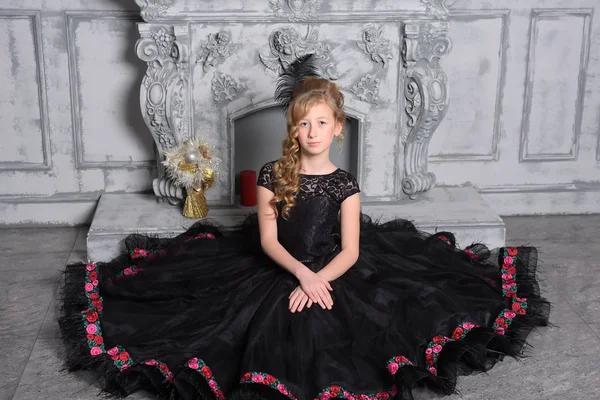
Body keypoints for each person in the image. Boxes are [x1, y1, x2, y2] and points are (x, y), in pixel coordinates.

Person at [58, 55, 550, 400]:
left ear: (339, 127)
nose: (310, 132)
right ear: (292, 129)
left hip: (337, 264)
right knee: (218, 322)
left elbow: (352, 251)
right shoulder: (274, 175)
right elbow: (268, 239)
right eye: (302, 124)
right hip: (281, 262)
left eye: (320, 123)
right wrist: (302, 276)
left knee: (364, 324)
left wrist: (321, 278)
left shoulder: (345, 184)